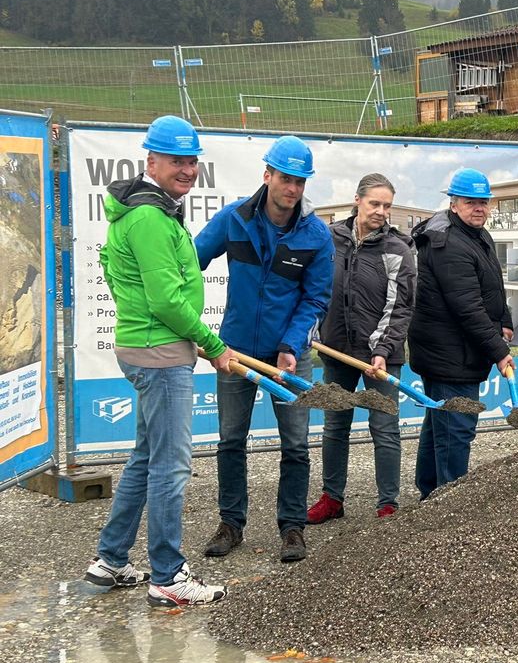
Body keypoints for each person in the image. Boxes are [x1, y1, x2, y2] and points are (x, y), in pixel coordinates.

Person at [82, 115, 229, 607]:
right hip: (160, 355)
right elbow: (166, 300)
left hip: (150, 347)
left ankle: (110, 560)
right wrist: (213, 345)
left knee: (146, 458)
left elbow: (131, 280)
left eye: (192, 161)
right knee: (171, 467)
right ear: (151, 161)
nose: (187, 170)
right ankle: (168, 575)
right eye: (176, 161)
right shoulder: (148, 218)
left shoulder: (149, 211)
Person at [195, 135, 334, 563]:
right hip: (234, 352)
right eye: (285, 178)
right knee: (230, 441)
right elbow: (190, 260)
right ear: (267, 175)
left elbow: (316, 299)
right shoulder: (234, 218)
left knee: (295, 444)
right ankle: (230, 524)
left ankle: (292, 527)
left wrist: (291, 345)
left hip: (289, 356)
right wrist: (186, 319)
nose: (292, 188)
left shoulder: (315, 235)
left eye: (300, 181)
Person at [308, 173, 416, 523]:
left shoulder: (397, 249)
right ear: (357, 201)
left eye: (387, 205)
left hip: (381, 357)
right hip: (337, 351)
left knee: (384, 428)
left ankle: (388, 504)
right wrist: (314, 331)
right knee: (334, 426)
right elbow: (314, 288)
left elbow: (400, 306)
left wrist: (381, 349)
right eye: (375, 203)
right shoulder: (329, 239)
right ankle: (332, 499)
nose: (381, 211)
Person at [408, 168, 514, 498]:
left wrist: (505, 319)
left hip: (455, 351)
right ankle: (449, 503)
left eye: (484, 202)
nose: (479, 208)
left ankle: (429, 493)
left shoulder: (477, 235)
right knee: (456, 430)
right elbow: (467, 308)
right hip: (449, 355)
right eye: (471, 202)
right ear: (454, 204)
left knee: (439, 424)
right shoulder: (449, 245)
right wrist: (499, 351)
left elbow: (492, 285)